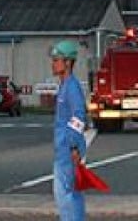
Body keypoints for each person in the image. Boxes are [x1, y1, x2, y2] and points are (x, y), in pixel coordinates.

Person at [50, 40, 88, 221]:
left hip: (67, 149)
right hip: (63, 148)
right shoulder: (65, 86)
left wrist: (73, 146)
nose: (53, 63)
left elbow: (78, 116)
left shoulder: (71, 87)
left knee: (66, 194)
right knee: (69, 193)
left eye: (57, 59)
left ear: (68, 62)